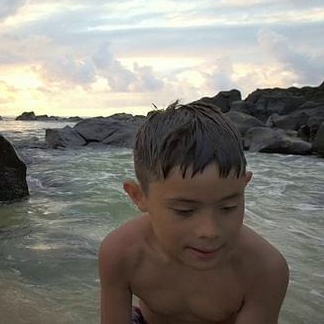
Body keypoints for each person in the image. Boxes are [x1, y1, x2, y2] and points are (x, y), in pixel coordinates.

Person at [98, 101, 289, 324]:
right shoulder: (122, 253)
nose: (209, 231)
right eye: (184, 211)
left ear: (243, 186)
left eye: (228, 207)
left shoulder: (265, 269)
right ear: (139, 197)